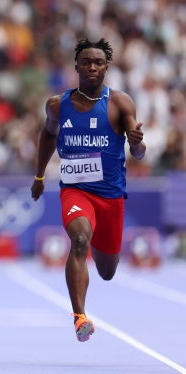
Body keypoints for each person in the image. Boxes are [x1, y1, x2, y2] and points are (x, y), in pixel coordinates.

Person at [31, 38, 145, 342]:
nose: (92, 67)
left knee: (107, 270)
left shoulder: (120, 103)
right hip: (75, 191)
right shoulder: (58, 105)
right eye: (86, 62)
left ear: (106, 67)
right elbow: (47, 137)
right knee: (79, 240)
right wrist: (40, 176)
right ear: (77, 67)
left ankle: (98, 247)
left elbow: (139, 152)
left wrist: (136, 143)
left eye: (98, 63)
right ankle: (80, 316)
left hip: (110, 197)